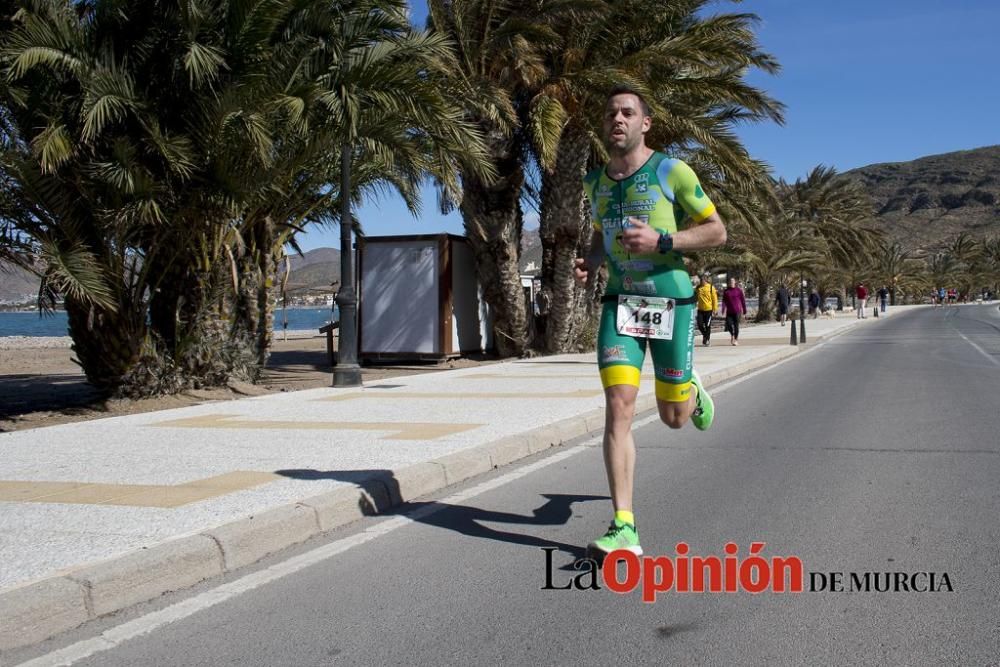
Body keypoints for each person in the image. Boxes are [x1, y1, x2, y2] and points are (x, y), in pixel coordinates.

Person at [573, 85, 727, 559]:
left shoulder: (670, 171)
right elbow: (601, 235)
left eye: (627, 112)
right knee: (619, 407)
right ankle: (624, 526)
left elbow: (716, 231)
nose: (617, 119)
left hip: (672, 304)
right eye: (610, 113)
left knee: (674, 418)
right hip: (621, 303)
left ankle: (691, 391)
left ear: (645, 124)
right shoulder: (594, 182)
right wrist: (591, 261)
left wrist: (663, 242)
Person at [720, 277, 747, 345]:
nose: (731, 283)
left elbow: (743, 301)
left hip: (737, 311)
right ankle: (732, 334)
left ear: (735, 282)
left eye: (732, 282)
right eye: (730, 282)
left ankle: (736, 339)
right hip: (729, 312)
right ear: (729, 283)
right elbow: (724, 301)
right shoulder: (726, 291)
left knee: (736, 326)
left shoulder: (739, 290)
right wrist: (723, 309)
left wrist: (744, 311)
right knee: (728, 325)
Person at [695, 274, 719, 346]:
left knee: (707, 326)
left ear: (705, 280)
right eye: (700, 280)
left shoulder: (711, 287)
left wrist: (715, 309)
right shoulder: (698, 288)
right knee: (699, 325)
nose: (701, 281)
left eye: (702, 280)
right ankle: (705, 336)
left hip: (709, 310)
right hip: (700, 310)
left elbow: (714, 299)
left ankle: (706, 340)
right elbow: (695, 297)